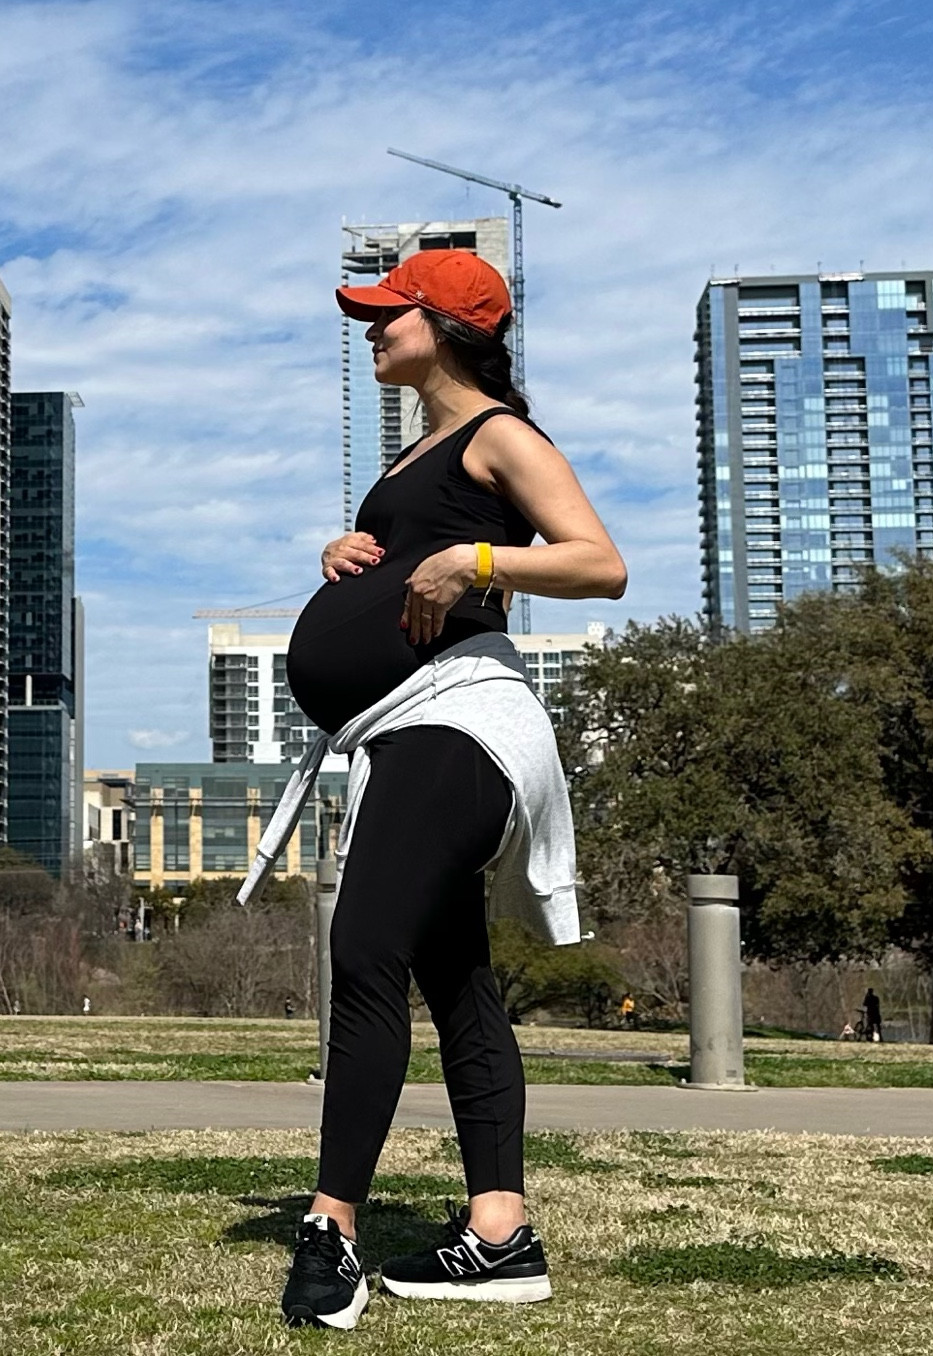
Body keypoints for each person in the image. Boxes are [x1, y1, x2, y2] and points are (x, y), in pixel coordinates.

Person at [254, 248, 627, 1331]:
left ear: (448, 326)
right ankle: (500, 1235)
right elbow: (409, 564)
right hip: (405, 732)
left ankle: (331, 1227)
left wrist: (471, 562)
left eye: (387, 314)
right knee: (453, 977)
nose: (369, 329)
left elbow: (596, 563)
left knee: (364, 950)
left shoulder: (500, 434)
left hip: (460, 722)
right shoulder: (410, 454)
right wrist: (351, 555)